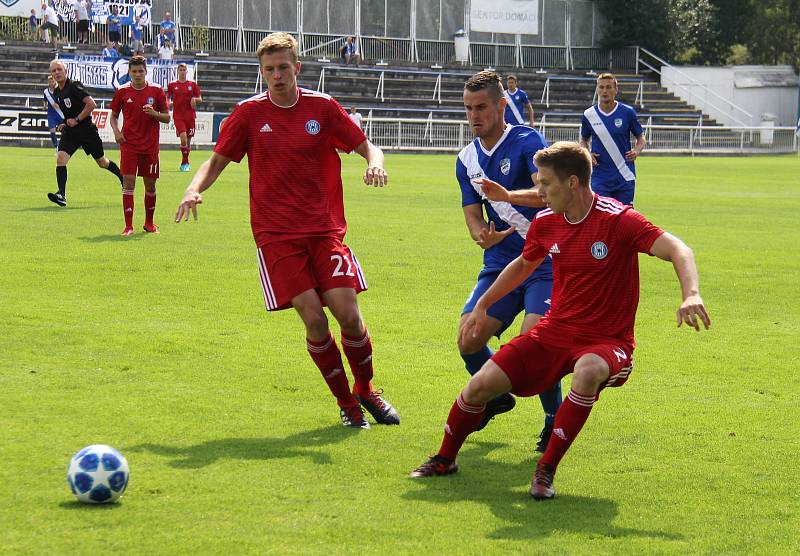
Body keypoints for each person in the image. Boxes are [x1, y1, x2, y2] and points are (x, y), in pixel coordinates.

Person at [410, 141, 711, 501]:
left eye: (546, 184)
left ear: (572, 183)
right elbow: (523, 265)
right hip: (555, 332)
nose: (539, 192)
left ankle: (545, 469)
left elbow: (679, 249)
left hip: (607, 340)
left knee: (586, 372)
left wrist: (690, 293)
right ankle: (445, 459)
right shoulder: (547, 222)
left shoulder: (618, 220)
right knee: (480, 384)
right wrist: (483, 305)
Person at [174, 32, 399, 430]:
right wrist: (193, 189)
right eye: (268, 70)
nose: (276, 76)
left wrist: (374, 163)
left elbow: (367, 146)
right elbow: (217, 161)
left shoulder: (323, 108)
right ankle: (347, 403)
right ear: (262, 73)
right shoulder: (247, 114)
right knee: (314, 320)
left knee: (348, 314)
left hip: (325, 230)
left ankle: (366, 389)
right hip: (277, 236)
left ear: (297, 67)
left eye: (283, 67)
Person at [455, 71, 561, 451]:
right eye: (468, 108)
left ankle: (554, 419)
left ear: (501, 105)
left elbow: (547, 194)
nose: (474, 115)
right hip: (500, 263)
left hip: (542, 264)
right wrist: (480, 232)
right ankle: (496, 397)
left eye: (481, 107)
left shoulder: (527, 141)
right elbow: (471, 214)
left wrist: (508, 195)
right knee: (468, 338)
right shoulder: (466, 158)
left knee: (534, 344)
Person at [47, 59, 123, 207]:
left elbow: (91, 104)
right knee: (61, 159)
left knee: (102, 162)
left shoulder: (74, 86)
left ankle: (123, 178)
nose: (57, 73)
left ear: (65, 71)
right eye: (54, 71)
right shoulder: (57, 92)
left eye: (59, 69)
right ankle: (61, 194)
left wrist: (76, 119)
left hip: (87, 130)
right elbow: (68, 112)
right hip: (71, 132)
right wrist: (64, 123)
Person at [109, 55, 170, 236]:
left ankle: (149, 223)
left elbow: (167, 117)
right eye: (134, 71)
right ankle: (128, 226)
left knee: (150, 186)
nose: (137, 75)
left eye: (140, 71)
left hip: (150, 146)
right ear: (129, 72)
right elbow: (113, 116)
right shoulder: (122, 92)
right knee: (128, 184)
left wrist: (154, 113)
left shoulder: (157, 91)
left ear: (146, 71)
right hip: (129, 145)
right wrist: (116, 131)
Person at [579, 73, 646, 206]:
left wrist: (636, 151)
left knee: (625, 217)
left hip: (624, 174)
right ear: (597, 89)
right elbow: (583, 140)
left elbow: (641, 137)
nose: (605, 91)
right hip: (600, 175)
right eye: (601, 87)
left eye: (609, 87)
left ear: (616, 90)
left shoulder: (627, 112)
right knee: (601, 216)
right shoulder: (589, 114)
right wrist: (587, 153)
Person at [167, 63, 202, 171]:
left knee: (188, 140)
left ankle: (185, 161)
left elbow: (200, 98)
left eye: (184, 70)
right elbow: (167, 98)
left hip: (190, 116)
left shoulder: (192, 84)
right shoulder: (172, 85)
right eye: (180, 70)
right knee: (183, 139)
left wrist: (195, 100)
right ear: (178, 71)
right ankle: (185, 163)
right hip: (178, 116)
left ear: (187, 71)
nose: (182, 72)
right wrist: (169, 103)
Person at [43, 74, 63, 154]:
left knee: (64, 131)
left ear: (55, 81)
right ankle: (56, 147)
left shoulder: (59, 90)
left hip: (60, 114)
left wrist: (59, 105)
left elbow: (63, 101)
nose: (51, 83)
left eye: (53, 81)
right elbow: (45, 101)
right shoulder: (46, 92)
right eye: (50, 81)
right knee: (52, 130)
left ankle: (62, 147)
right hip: (51, 114)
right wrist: (44, 106)